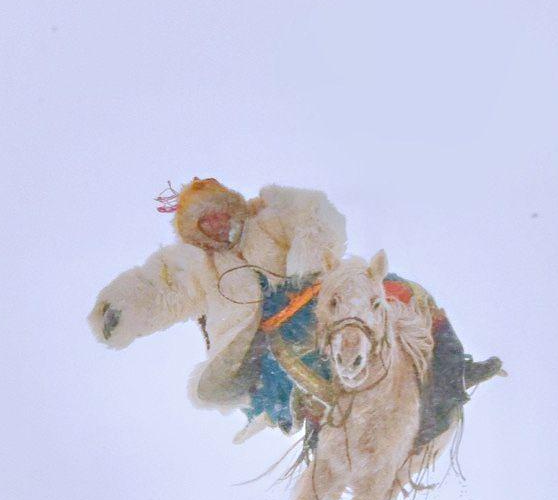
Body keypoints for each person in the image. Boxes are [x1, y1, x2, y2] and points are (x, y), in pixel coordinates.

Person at [88, 177, 500, 443]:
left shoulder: (269, 218)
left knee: (400, 290)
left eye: (219, 214)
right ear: (195, 232)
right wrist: (122, 310)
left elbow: (315, 216)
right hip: (262, 332)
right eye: (204, 223)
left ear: (232, 208)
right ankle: (313, 424)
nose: (216, 225)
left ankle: (453, 366)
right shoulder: (202, 264)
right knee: (274, 375)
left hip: (316, 294)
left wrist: (307, 263)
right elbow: (163, 287)